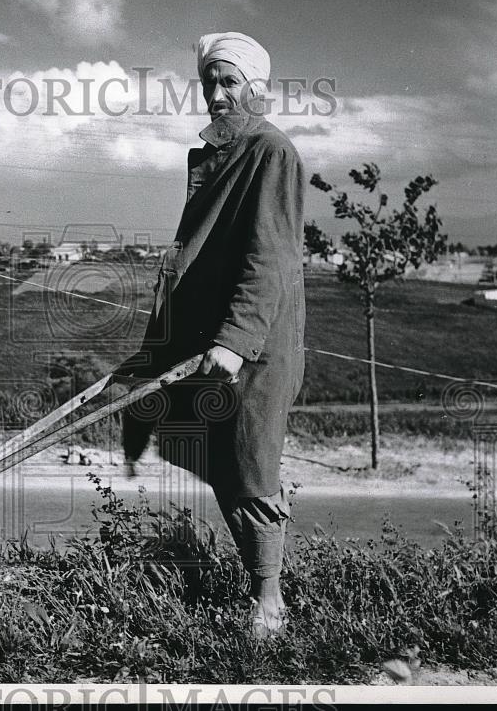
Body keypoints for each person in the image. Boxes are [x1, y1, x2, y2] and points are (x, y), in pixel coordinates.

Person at [119, 31, 306, 636]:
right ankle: (261, 586)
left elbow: (269, 260)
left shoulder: (271, 154)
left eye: (230, 83)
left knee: (250, 464)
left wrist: (232, 341)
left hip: (252, 346)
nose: (217, 95)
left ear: (257, 89)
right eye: (210, 83)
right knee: (224, 460)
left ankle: (269, 603)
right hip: (210, 340)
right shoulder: (226, 153)